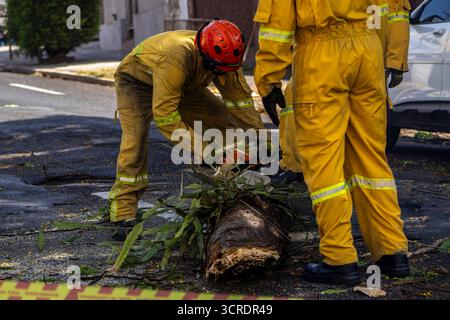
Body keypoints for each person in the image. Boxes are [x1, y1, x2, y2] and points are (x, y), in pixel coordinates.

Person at [254, 0, 410, 285]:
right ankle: (392, 252)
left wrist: (268, 79)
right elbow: (394, 7)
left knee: (324, 162)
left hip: (321, 57)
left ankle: (339, 259)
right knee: (371, 158)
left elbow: (277, 25)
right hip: (368, 50)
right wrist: (395, 56)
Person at [109, 20, 265, 240]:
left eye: (225, 70)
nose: (221, 74)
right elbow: (165, 117)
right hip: (137, 83)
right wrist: (208, 152)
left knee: (221, 118)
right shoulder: (177, 56)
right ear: (203, 55)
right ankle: (122, 214)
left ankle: (233, 185)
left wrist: (264, 146)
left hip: (183, 84)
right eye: (216, 70)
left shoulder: (225, 59)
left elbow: (240, 104)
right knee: (135, 143)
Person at [272, 0, 411, 185]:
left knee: (359, 128)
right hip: (352, 52)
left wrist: (396, 60)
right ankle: (296, 166)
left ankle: (334, 174)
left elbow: (398, 14)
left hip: (360, 54)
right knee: (296, 101)